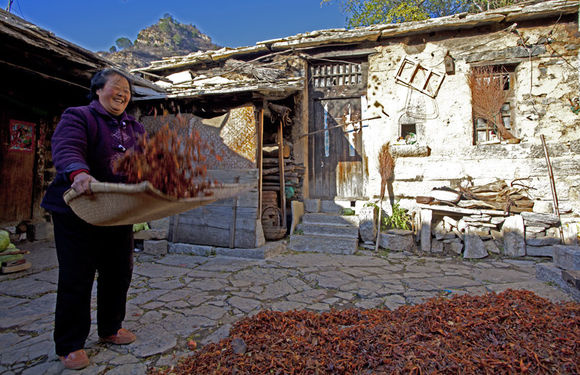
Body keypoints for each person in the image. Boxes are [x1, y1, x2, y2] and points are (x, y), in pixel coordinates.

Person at [41, 68, 145, 370]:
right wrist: (79, 172)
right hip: (79, 207)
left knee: (118, 271)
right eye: (117, 86)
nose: (123, 93)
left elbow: (147, 160)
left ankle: (111, 328)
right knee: (78, 275)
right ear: (98, 90)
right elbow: (67, 148)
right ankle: (70, 344)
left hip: (117, 209)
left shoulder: (134, 127)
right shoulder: (79, 116)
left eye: (127, 89)